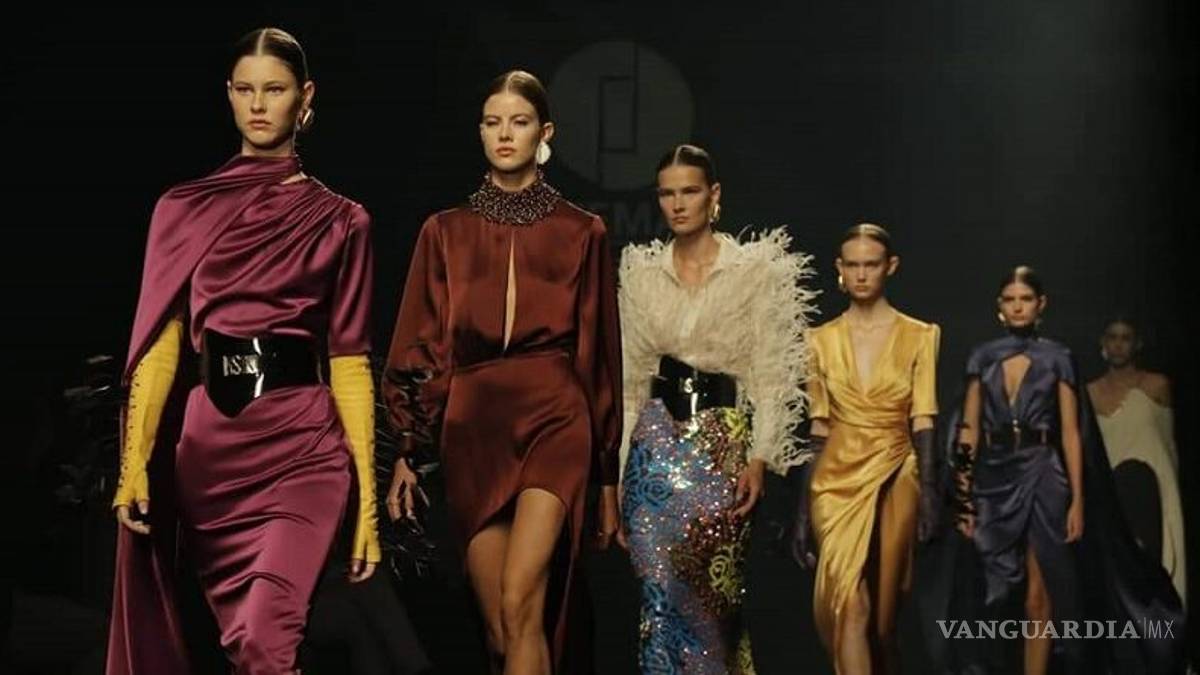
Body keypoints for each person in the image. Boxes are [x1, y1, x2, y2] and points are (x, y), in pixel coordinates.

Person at [107, 27, 380, 675]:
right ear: (228, 95)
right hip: (211, 457)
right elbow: (161, 346)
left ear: (304, 97)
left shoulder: (343, 220)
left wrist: (368, 504)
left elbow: (349, 360)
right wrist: (133, 464)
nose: (259, 105)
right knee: (242, 648)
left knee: (264, 641)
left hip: (303, 448)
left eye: (275, 90)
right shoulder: (182, 209)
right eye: (245, 89)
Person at [381, 70, 622, 675]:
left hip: (554, 419)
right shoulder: (444, 232)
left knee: (521, 599)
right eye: (493, 123)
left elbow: (598, 353)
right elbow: (420, 341)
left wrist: (606, 475)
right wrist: (409, 446)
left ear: (545, 133)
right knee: (501, 628)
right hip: (474, 429)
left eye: (519, 122)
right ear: (481, 132)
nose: (505, 134)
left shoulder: (582, 232)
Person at [618, 144, 816, 673]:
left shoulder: (753, 271)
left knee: (713, 603)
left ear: (714, 195)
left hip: (721, 445)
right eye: (667, 193)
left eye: (690, 191)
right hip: (652, 451)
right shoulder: (640, 273)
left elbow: (771, 376)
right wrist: (617, 475)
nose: (678, 204)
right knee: (658, 600)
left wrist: (760, 457)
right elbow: (631, 385)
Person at [944, 267, 1185, 674]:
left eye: (1025, 299)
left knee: (1040, 593)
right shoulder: (982, 357)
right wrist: (963, 495)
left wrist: (1077, 500)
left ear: (1041, 305)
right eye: (1010, 300)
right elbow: (968, 429)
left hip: (1044, 473)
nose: (1018, 307)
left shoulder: (1058, 357)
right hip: (995, 475)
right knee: (995, 593)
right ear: (999, 307)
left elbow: (1072, 433)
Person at [791, 223, 941, 675]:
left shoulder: (920, 335)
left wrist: (931, 494)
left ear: (890, 267)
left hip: (897, 472)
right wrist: (802, 513)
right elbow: (819, 428)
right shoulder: (818, 340)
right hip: (834, 483)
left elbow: (924, 418)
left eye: (870, 265)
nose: (860, 275)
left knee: (882, 622)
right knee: (849, 604)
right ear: (839, 268)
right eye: (852, 265)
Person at [1087, 317, 1186, 604]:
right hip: (1109, 493)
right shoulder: (1090, 392)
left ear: (1137, 344)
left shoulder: (1156, 385)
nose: (1118, 345)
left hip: (1150, 492)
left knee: (1151, 569)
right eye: (1112, 337)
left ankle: (1159, 626)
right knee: (1113, 573)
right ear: (1103, 343)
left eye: (1126, 338)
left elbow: (1167, 444)